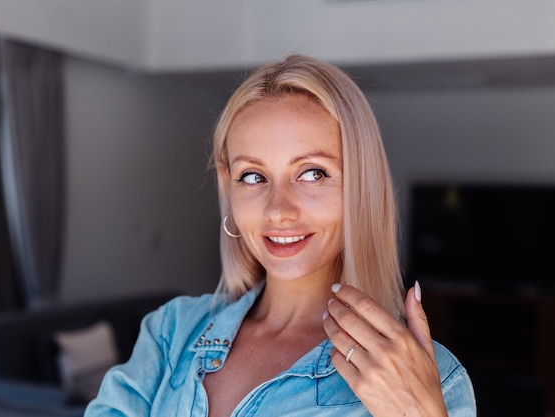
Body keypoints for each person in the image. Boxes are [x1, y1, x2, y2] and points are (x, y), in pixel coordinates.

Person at [85, 55, 476, 416]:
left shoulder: (433, 378)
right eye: (253, 177)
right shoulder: (171, 333)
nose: (277, 210)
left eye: (312, 173)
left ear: (362, 188)